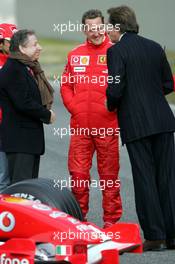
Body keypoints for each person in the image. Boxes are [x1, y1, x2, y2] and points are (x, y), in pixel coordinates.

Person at [106, 5, 175, 250]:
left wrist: (112, 103)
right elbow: (168, 83)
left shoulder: (116, 52)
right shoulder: (155, 47)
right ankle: (173, 235)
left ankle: (155, 235)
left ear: (117, 27)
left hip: (136, 123)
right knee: (167, 178)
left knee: (145, 178)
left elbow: (115, 87)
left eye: (108, 26)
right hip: (164, 121)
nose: (106, 32)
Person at [60, 9, 122, 228]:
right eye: (90, 28)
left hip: (107, 125)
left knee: (109, 176)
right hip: (80, 128)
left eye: (98, 27)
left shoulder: (117, 52)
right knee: (78, 176)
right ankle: (78, 220)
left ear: (104, 26)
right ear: (84, 29)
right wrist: (74, 107)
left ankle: (111, 222)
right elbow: (66, 85)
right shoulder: (75, 53)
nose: (95, 32)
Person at [0, 29, 56, 184]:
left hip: (27, 141)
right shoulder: (13, 69)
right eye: (34, 44)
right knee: (20, 190)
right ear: (21, 49)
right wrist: (47, 114)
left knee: (28, 189)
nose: (40, 47)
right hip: (20, 141)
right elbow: (23, 103)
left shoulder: (26, 67)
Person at [0, 23, 17, 192]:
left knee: (16, 177)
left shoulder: (19, 62)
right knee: (3, 177)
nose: (14, 46)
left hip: (14, 126)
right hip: (2, 125)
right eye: (10, 42)